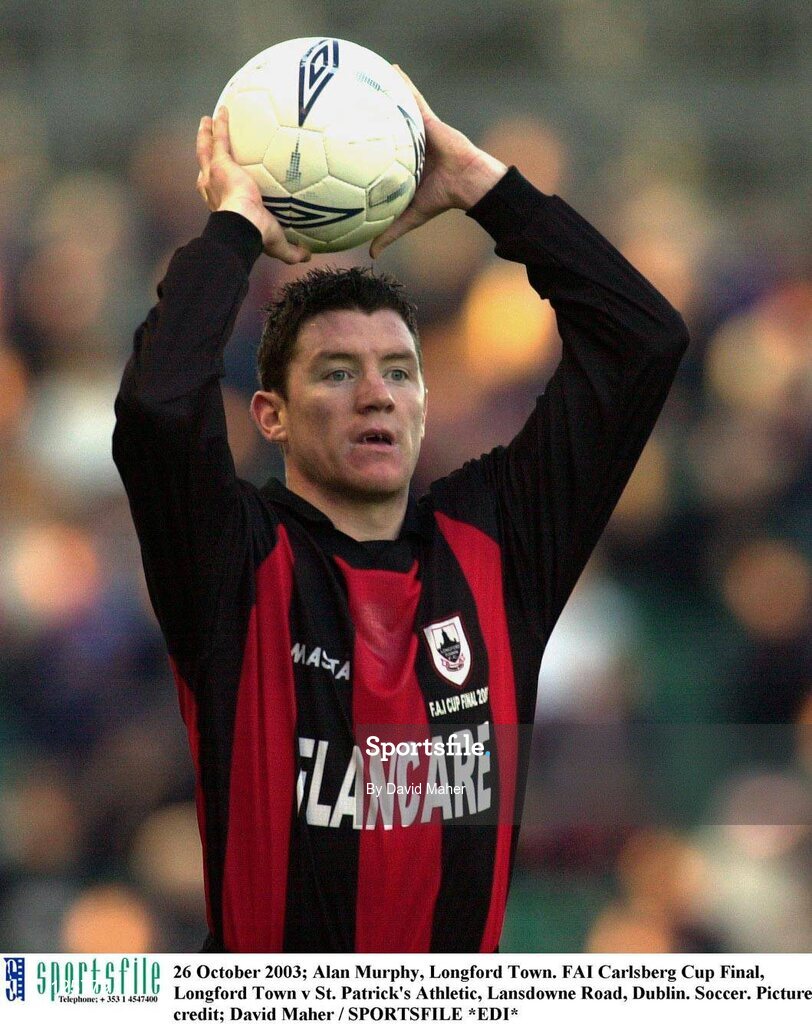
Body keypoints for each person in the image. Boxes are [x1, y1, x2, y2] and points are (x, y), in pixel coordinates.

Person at [112, 69, 689, 953]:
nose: (376, 395)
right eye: (337, 373)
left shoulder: (499, 545)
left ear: (426, 401)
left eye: (399, 371)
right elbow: (157, 408)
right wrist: (234, 228)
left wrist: (480, 188)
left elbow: (643, 339)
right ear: (270, 415)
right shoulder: (234, 561)